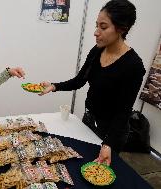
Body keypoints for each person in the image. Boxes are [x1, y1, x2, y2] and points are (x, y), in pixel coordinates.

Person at [39, 0, 145, 165]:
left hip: (112, 131)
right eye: (96, 26)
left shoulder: (133, 65)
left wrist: (108, 143)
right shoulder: (97, 51)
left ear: (122, 29)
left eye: (103, 27)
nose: (96, 32)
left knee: (99, 170)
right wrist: (54, 86)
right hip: (89, 119)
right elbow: (79, 80)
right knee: (80, 162)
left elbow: (123, 111)